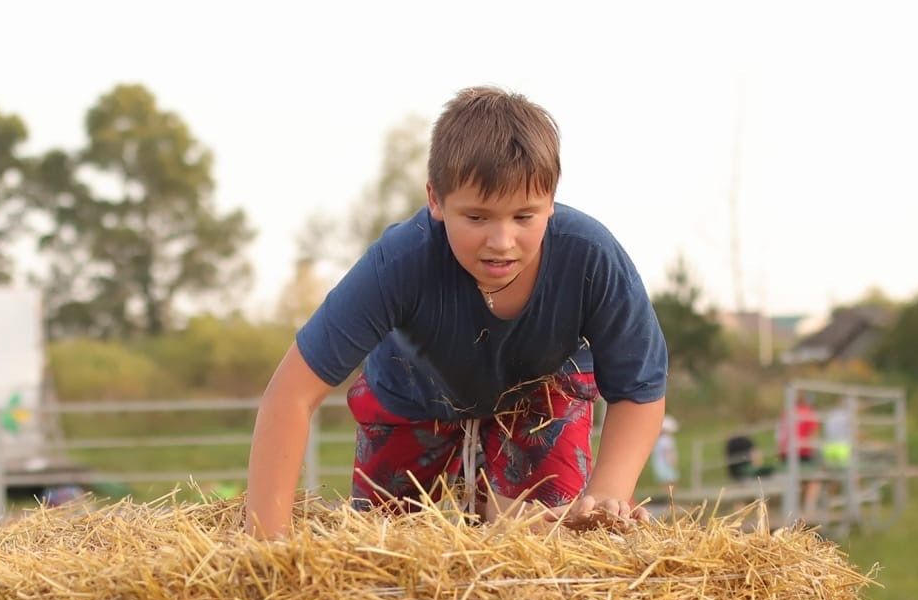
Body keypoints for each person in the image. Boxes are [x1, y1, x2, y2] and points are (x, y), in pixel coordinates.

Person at [243, 86, 668, 538]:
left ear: (551, 201)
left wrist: (606, 496)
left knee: (542, 544)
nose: (502, 241)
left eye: (524, 217)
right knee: (384, 552)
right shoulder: (399, 263)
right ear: (435, 200)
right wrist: (269, 548)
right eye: (478, 218)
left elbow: (638, 388)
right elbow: (290, 394)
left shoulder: (591, 256)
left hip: (539, 397)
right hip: (412, 394)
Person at [651, 416, 681, 485]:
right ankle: (669, 494)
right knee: (668, 480)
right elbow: (668, 451)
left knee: (668, 480)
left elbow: (667, 451)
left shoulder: (662, 440)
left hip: (662, 463)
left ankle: (669, 494)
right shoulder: (664, 439)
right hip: (663, 463)